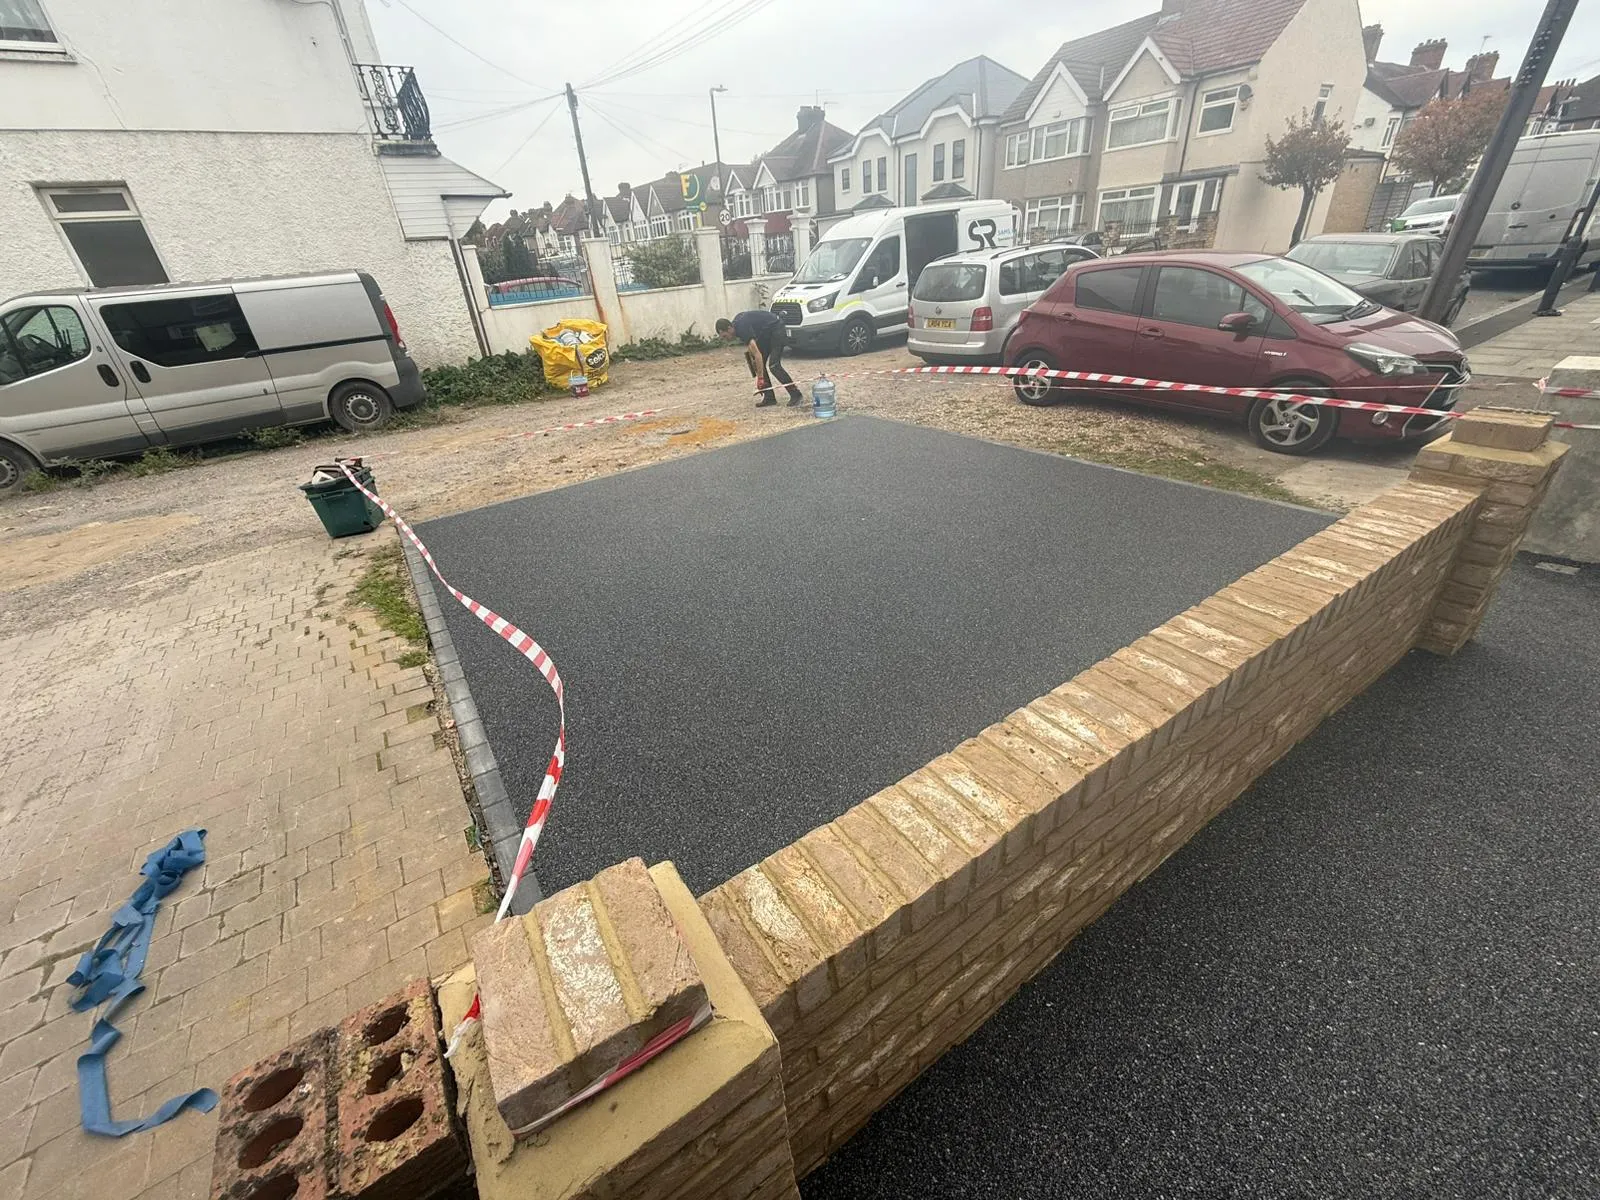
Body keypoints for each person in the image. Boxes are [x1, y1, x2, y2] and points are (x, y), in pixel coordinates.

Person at [717, 310, 805, 408]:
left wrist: (760, 378)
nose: (726, 339)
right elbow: (752, 349)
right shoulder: (737, 327)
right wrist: (754, 364)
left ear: (729, 328)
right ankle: (769, 398)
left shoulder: (742, 328)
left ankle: (796, 394)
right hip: (766, 333)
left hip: (777, 328)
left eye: (725, 336)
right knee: (758, 363)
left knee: (774, 366)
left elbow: (757, 354)